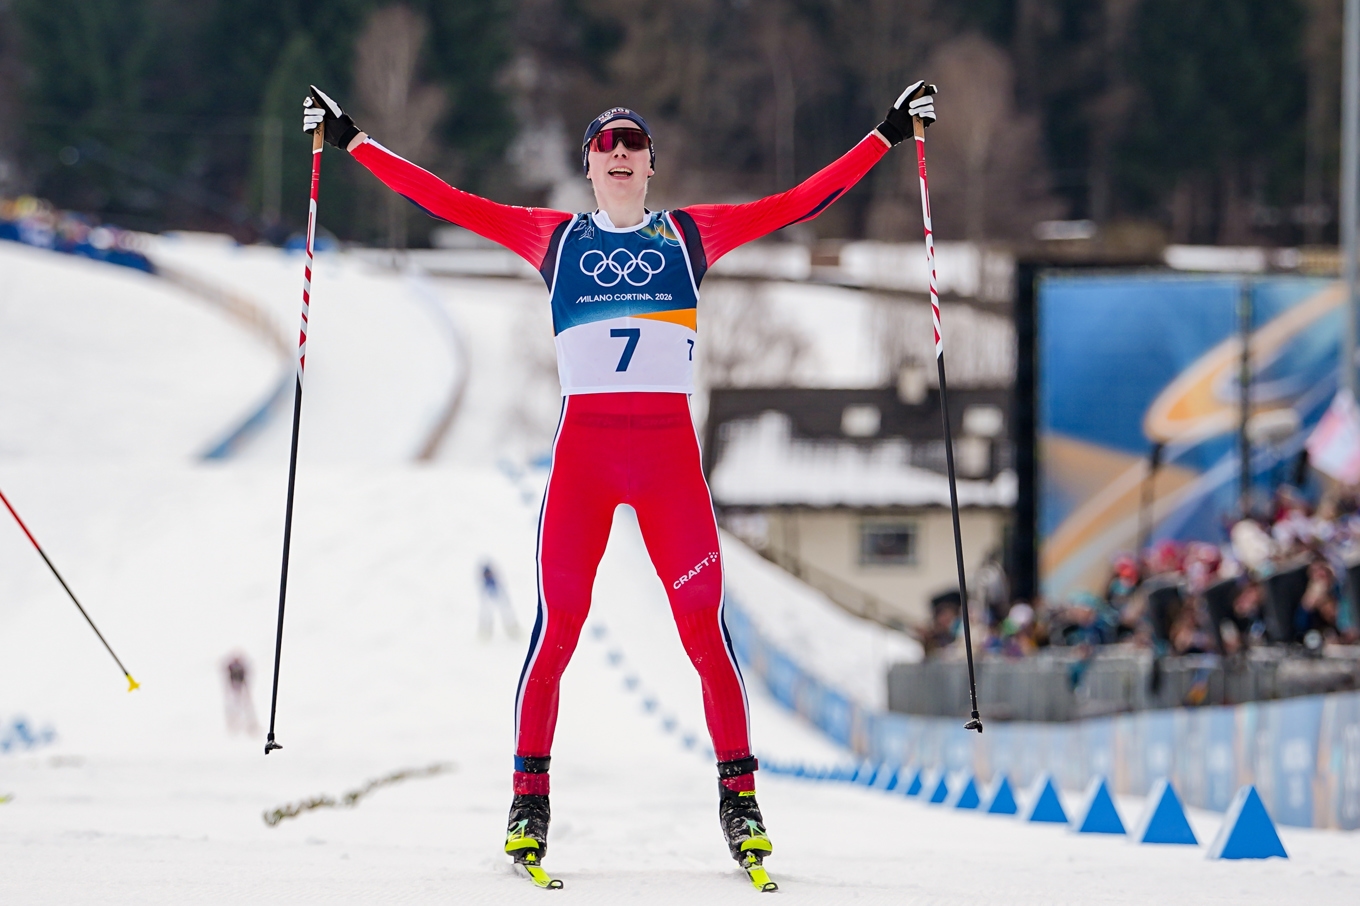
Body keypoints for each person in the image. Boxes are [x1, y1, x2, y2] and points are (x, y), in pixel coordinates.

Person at [303, 80, 937, 878]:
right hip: (586, 460)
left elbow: (799, 203)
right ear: (588, 166)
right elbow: (446, 201)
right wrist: (353, 139)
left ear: (650, 164)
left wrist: (887, 132)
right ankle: (528, 803)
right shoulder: (555, 238)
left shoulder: (690, 235)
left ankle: (740, 803)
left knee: (704, 633)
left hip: (670, 461)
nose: (620, 154)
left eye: (633, 142)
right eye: (605, 145)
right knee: (557, 632)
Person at [478, 560, 521, 640]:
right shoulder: (486, 583)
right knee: (487, 613)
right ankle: (485, 632)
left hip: (499, 596)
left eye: (489, 573)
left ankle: (512, 629)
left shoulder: (495, 581)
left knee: (506, 612)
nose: (488, 575)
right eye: (486, 574)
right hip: (490, 597)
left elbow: (502, 592)